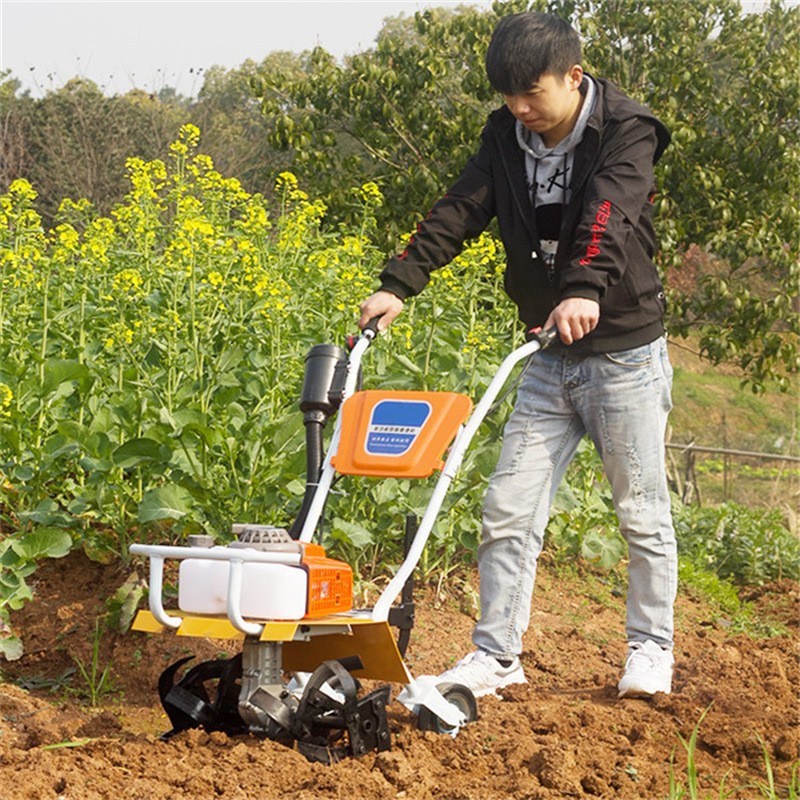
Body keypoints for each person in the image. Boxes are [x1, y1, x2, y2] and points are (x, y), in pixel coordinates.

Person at [358, 11, 677, 699]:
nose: (519, 109)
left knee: (641, 512)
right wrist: (398, 283)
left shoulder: (626, 128)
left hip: (624, 352)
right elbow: (461, 207)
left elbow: (608, 211)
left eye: (531, 93)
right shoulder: (505, 134)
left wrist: (584, 288)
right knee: (507, 508)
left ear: (573, 75)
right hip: (547, 353)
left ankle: (651, 649)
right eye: (507, 96)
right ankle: (497, 655)